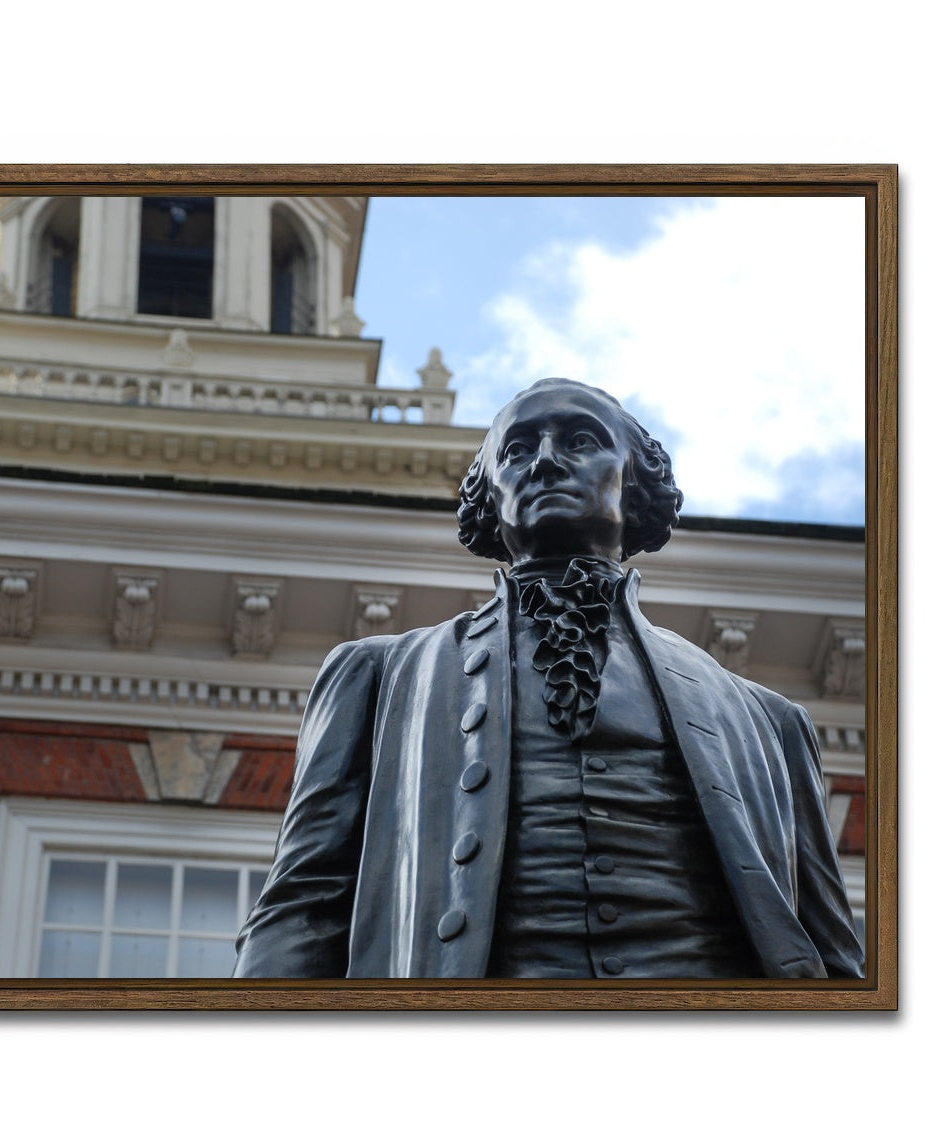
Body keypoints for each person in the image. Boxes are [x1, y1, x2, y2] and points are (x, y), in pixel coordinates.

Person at [233, 378, 864, 979]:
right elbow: (302, 902)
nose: (543, 462)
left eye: (580, 441)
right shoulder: (377, 675)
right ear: (491, 496)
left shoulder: (771, 725)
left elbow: (833, 958)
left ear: (635, 481)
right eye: (516, 449)